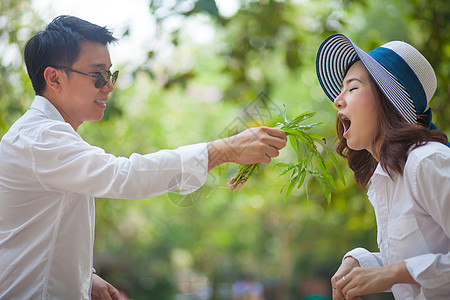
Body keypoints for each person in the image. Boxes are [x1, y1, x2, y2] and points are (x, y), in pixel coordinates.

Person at [0, 15, 287, 299]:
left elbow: (35, 236)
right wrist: (224, 150)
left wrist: (85, 277)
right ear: (54, 78)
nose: (109, 86)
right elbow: (122, 176)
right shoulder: (40, 138)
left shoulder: (48, 137)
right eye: (97, 74)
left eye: (111, 74)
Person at [316, 34, 450, 299]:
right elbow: (419, 258)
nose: (337, 101)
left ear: (387, 100)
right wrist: (361, 261)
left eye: (352, 88)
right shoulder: (386, 179)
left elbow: (405, 270)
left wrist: (393, 273)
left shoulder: (427, 162)